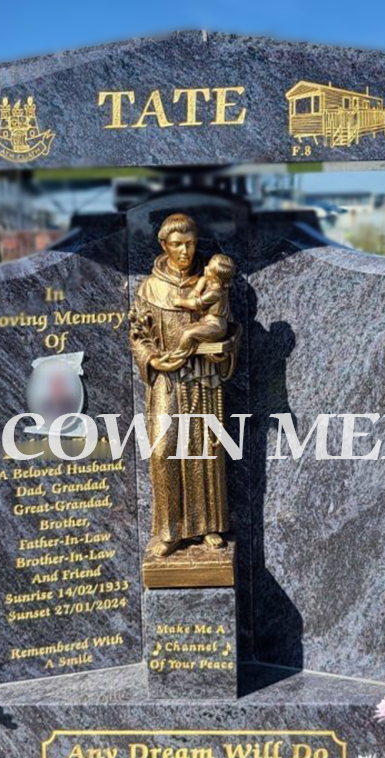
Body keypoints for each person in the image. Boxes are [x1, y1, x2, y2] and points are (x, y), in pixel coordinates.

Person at [129, 214, 238, 558]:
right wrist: (152, 359)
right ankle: (169, 530)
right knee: (164, 450)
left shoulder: (210, 280)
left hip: (202, 379)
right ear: (164, 245)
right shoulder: (150, 288)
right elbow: (137, 335)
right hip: (167, 380)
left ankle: (208, 526)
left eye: (190, 243)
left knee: (204, 449)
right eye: (177, 244)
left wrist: (221, 353)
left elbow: (228, 330)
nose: (185, 251)